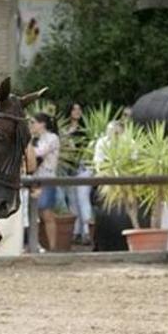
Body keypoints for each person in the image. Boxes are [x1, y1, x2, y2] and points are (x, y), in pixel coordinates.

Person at [62, 102, 93, 245]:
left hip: (82, 168)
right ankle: (76, 232)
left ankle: (87, 232)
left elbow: (86, 150)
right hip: (68, 169)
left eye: (79, 109)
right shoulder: (63, 129)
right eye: (74, 109)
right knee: (72, 202)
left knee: (83, 199)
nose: (77, 111)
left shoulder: (85, 130)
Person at [30, 112, 61, 251]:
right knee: (35, 215)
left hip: (47, 179)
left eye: (33, 122)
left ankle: (53, 247)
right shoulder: (35, 139)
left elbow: (39, 153)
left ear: (42, 123)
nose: (32, 126)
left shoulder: (52, 138)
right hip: (34, 179)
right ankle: (36, 245)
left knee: (47, 213)